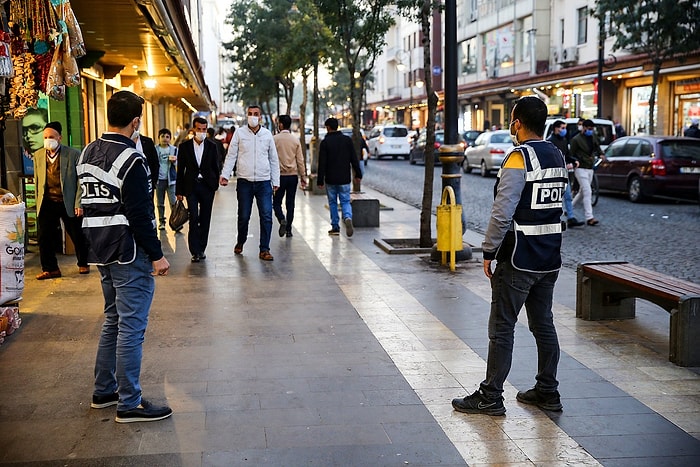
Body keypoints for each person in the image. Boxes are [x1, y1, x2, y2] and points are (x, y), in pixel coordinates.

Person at [451, 96, 568, 416]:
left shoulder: (519, 158)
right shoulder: (556, 154)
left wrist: (488, 250)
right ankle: (548, 390)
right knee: (544, 324)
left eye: (512, 120)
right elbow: (561, 204)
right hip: (550, 257)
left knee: (502, 327)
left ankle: (490, 395)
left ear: (517, 122)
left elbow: (502, 212)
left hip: (518, 257)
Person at [77, 90, 171, 423]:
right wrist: (157, 255)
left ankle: (104, 391)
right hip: (128, 252)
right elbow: (139, 213)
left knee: (113, 320)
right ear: (135, 122)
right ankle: (129, 402)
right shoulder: (132, 159)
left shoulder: (87, 152)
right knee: (131, 327)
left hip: (100, 249)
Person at [220, 105, 280, 261]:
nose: (253, 116)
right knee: (244, 216)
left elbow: (273, 159)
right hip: (244, 182)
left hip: (264, 182)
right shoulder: (239, 133)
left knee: (266, 215)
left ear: (260, 117)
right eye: (250, 114)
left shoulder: (267, 135)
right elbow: (231, 155)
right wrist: (225, 174)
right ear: (247, 116)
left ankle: (264, 249)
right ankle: (241, 240)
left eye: (256, 114)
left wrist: (276, 180)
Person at [33, 121, 90, 279]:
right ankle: (50, 268)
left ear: (60, 138)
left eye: (51, 137)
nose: (48, 140)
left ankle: (84, 263)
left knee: (76, 233)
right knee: (44, 236)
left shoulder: (73, 154)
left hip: (68, 200)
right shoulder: (38, 156)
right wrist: (38, 203)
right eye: (45, 137)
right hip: (47, 201)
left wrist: (79, 203)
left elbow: (81, 180)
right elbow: (38, 181)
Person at [176, 117, 222, 262]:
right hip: (191, 187)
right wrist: (179, 191)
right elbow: (180, 170)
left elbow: (216, 166)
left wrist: (215, 184)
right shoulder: (184, 147)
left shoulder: (211, 146)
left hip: (207, 186)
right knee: (194, 217)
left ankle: (202, 248)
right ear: (193, 129)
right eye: (199, 129)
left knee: (205, 218)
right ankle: (194, 250)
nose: (201, 132)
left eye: (204, 129)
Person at [317, 117, 362, 237]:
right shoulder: (346, 140)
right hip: (344, 178)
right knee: (345, 200)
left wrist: (320, 180)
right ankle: (347, 217)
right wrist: (358, 173)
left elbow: (322, 163)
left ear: (328, 127)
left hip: (331, 178)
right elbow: (354, 158)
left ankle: (335, 226)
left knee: (332, 202)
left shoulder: (325, 143)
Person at [273, 114, 307, 238]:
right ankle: (289, 229)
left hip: (279, 176)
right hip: (293, 177)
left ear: (281, 124)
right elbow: (300, 160)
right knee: (290, 203)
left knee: (276, 202)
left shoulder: (274, 139)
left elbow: (270, 159)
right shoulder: (295, 140)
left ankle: (282, 219)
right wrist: (303, 177)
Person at [547, 120, 584, 228]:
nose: (564, 130)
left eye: (565, 128)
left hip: (563, 173)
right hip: (554, 174)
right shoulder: (550, 141)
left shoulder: (563, 140)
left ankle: (571, 218)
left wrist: (573, 160)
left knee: (567, 196)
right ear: (555, 128)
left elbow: (566, 155)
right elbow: (551, 159)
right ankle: (553, 219)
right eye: (562, 128)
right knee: (555, 197)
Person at [570, 119, 602, 226]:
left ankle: (569, 208)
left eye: (592, 129)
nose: (590, 131)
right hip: (580, 168)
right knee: (588, 191)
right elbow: (571, 153)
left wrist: (601, 154)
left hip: (589, 167)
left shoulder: (593, 137)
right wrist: (575, 161)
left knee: (582, 192)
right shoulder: (576, 139)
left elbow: (597, 147)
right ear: (583, 128)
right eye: (589, 129)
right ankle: (589, 217)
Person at [155, 128, 178, 230]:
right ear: (159, 138)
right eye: (162, 136)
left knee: (173, 202)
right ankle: (161, 221)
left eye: (167, 137)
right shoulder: (155, 149)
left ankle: (176, 222)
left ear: (170, 138)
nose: (165, 139)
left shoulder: (174, 149)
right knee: (160, 203)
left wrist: (174, 162)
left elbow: (178, 164)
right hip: (159, 180)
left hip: (171, 179)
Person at [131, 127, 159, 194]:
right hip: (131, 183)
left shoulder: (148, 141)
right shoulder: (123, 143)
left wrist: (154, 181)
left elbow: (155, 162)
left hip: (147, 182)